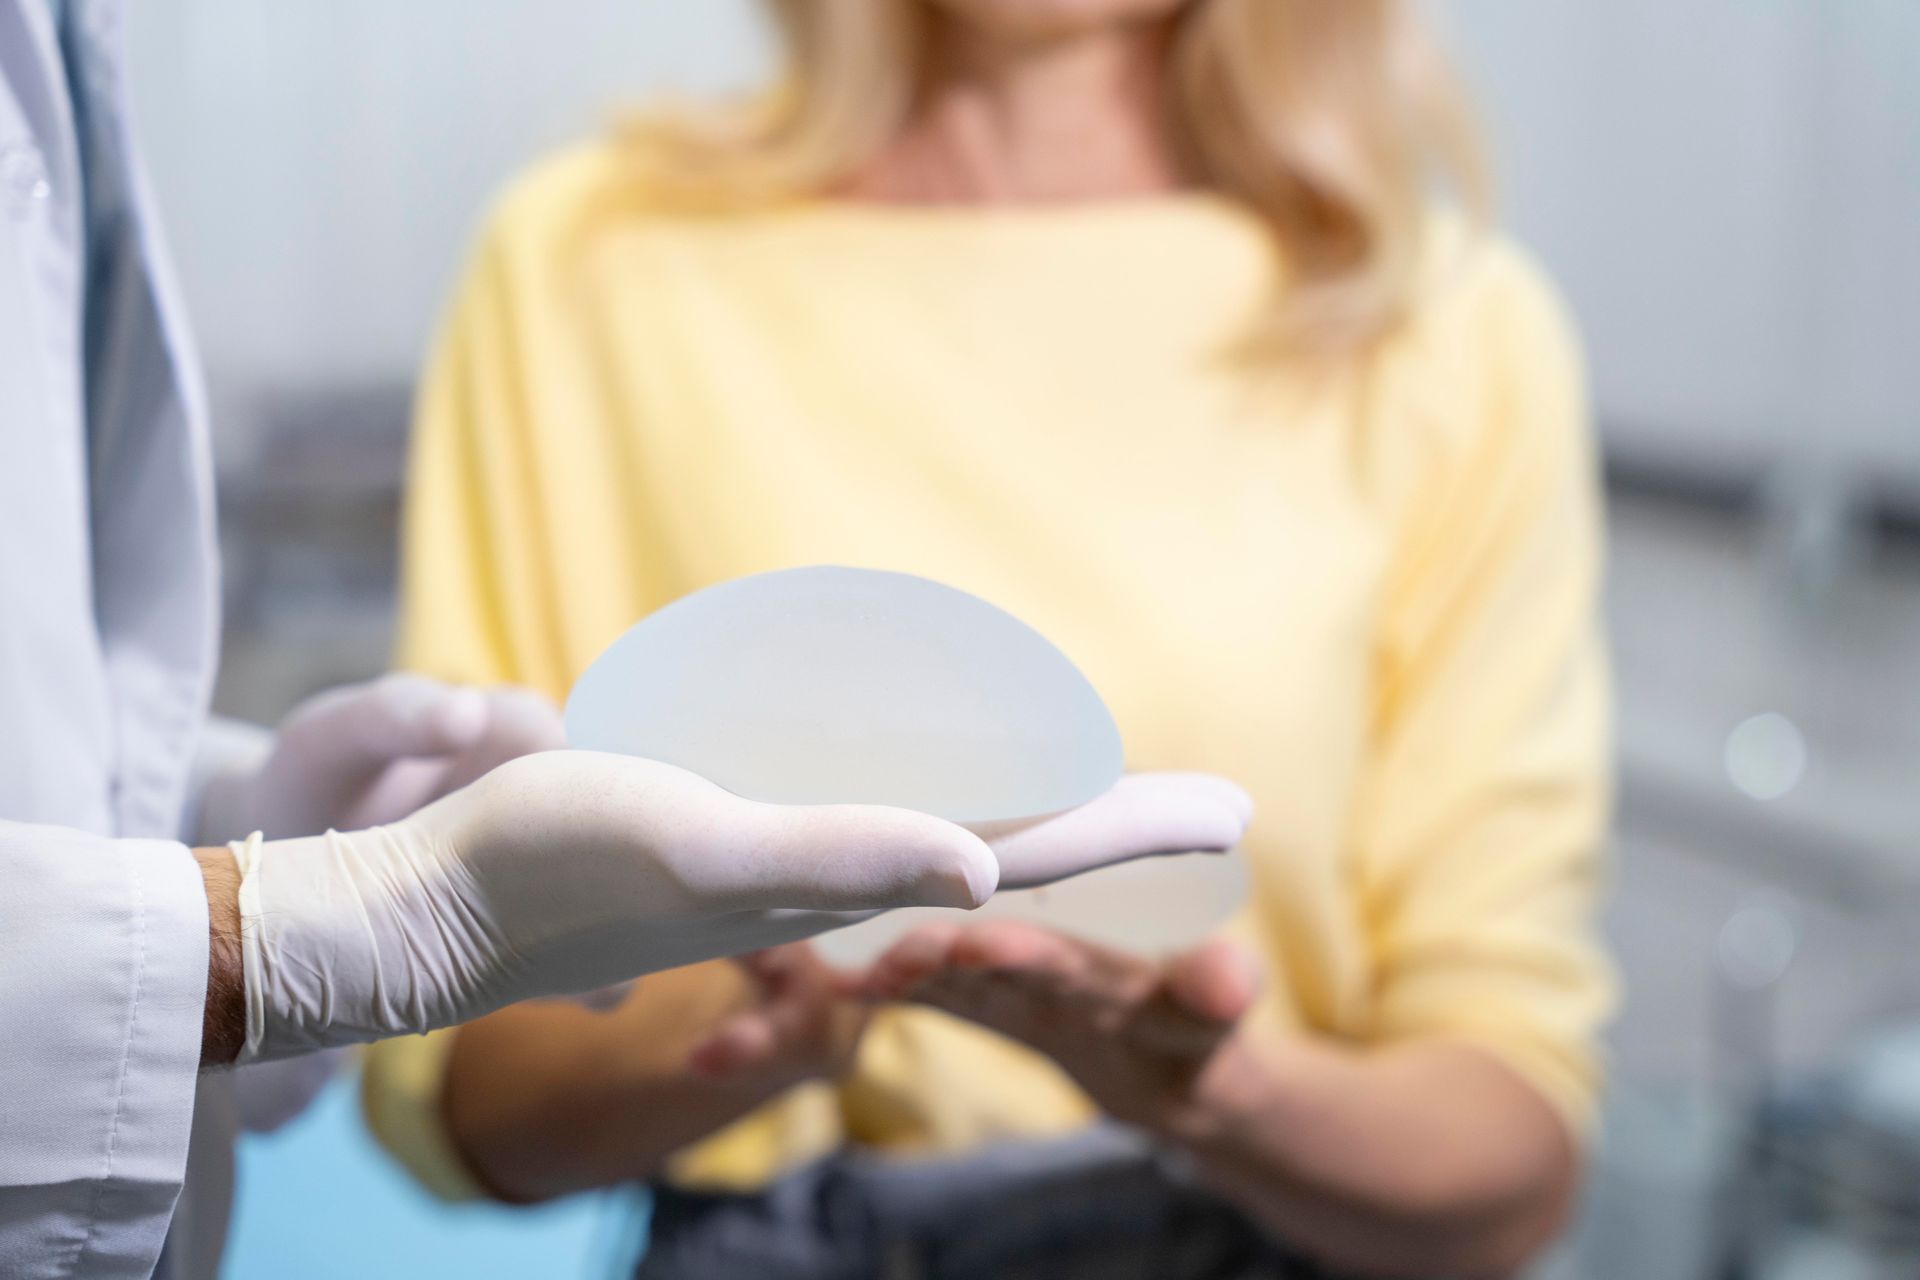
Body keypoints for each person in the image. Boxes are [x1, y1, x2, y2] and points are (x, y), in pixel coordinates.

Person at [368, 0, 1616, 1276]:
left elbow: (1511, 1141)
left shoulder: (1439, 326)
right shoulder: (589, 263)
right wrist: (748, 1009)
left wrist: (1221, 1097)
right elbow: (466, 1069)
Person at [0, 4, 1244, 1277]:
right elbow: (482, 1100)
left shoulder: (1432, 317)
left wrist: (203, 818)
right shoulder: (593, 256)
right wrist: (279, 932)